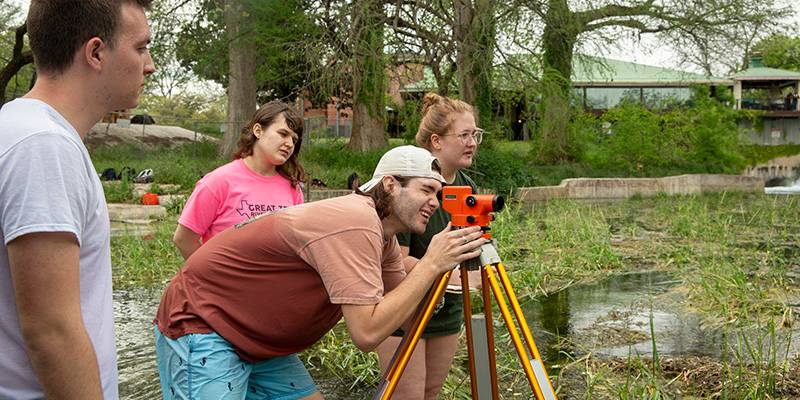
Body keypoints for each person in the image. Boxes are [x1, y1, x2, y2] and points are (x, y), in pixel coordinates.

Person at [153, 145, 487, 400]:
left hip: (256, 341)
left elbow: (404, 319)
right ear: (389, 185)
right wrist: (430, 264)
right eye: (426, 190)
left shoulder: (382, 238)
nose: (435, 202)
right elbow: (367, 334)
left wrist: (442, 277)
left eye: (438, 194)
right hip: (204, 324)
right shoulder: (357, 221)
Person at [0, 1, 155, 398]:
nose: (149, 65)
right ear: (96, 52)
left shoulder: (19, 127)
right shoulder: (44, 145)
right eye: (141, 48)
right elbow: (51, 331)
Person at [375, 93, 484, 399]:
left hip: (445, 309)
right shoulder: (410, 184)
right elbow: (394, 261)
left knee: (430, 392)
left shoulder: (467, 185)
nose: (472, 142)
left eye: (475, 134)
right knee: (406, 395)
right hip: (404, 305)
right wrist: (446, 275)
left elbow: (466, 247)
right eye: (464, 135)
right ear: (436, 141)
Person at [173, 101, 305, 259]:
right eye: (283, 134)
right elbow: (183, 239)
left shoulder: (292, 189)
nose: (289, 144)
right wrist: (212, 278)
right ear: (258, 130)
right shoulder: (218, 182)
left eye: (294, 139)